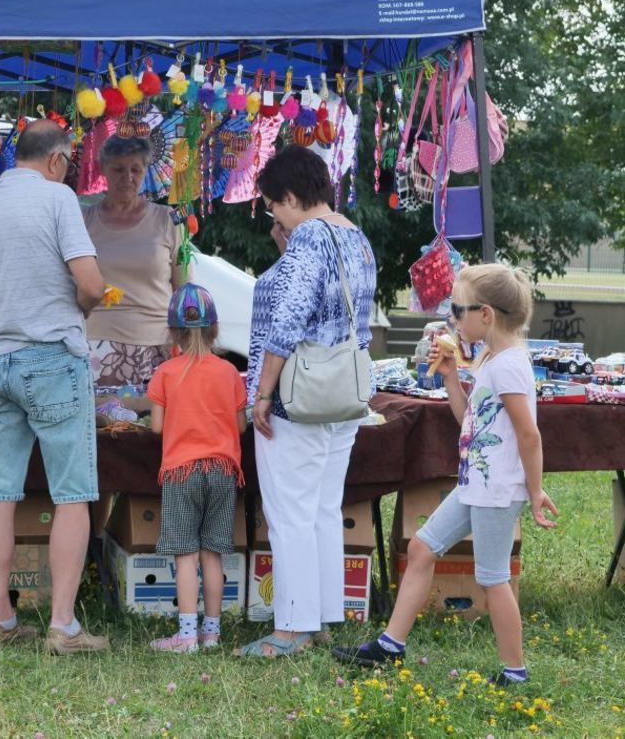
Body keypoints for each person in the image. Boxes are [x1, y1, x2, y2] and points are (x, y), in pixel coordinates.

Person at [334, 265, 557, 685]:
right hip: (476, 485)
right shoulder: (491, 359)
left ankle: (516, 671)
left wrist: (534, 489)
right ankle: (389, 647)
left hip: (494, 493)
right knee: (421, 549)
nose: (453, 318)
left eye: (458, 309)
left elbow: (530, 436)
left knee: (492, 578)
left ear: (486, 314)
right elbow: (468, 420)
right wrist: (454, 376)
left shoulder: (508, 367)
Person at [0, 118, 108, 655]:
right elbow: (91, 283)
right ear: (58, 160)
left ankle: (0, 618)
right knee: (72, 494)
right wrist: (82, 306)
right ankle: (62, 626)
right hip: (51, 356)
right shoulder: (59, 199)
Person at [237, 144, 377, 657]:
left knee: (290, 511)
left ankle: (291, 629)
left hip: (298, 395)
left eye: (274, 204)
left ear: (292, 196)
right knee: (320, 509)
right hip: (342, 394)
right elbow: (331, 306)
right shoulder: (352, 235)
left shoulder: (309, 239)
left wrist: (263, 393)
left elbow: (289, 319)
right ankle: (319, 618)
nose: (273, 213)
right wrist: (285, 251)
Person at [147, 284, 247, 653]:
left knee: (186, 555)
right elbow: (240, 427)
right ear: (215, 329)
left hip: (180, 472)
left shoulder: (166, 373)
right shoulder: (229, 373)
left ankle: (186, 636)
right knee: (212, 553)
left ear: (173, 332)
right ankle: (212, 633)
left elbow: (156, 427)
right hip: (223, 471)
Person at [83, 135, 180, 387]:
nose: (127, 176)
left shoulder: (167, 219)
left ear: (145, 171)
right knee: (103, 423)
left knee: (154, 424)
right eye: (118, 169)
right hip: (96, 343)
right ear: (104, 169)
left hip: (158, 344)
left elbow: (183, 289)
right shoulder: (83, 221)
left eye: (135, 169)